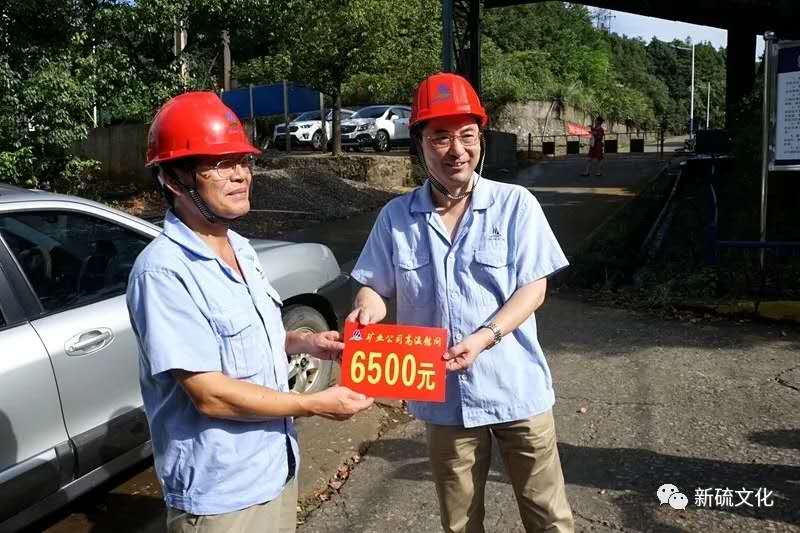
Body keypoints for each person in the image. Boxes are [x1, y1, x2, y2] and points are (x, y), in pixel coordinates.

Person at [126, 92, 373, 533]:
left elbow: (252, 338)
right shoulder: (163, 272)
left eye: (242, 160)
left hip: (274, 469)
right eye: (221, 164)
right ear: (175, 179)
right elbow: (210, 394)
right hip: (222, 498)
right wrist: (311, 404)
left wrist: (306, 342)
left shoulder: (239, 247)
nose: (241, 174)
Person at [347, 73, 574, 533]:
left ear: (480, 139)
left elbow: (534, 289)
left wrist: (485, 336)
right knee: (459, 521)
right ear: (419, 144)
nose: (457, 150)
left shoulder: (515, 204)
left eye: (467, 136)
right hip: (445, 399)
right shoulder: (396, 218)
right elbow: (374, 286)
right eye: (440, 137)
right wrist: (366, 309)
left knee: (548, 516)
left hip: (516, 387)